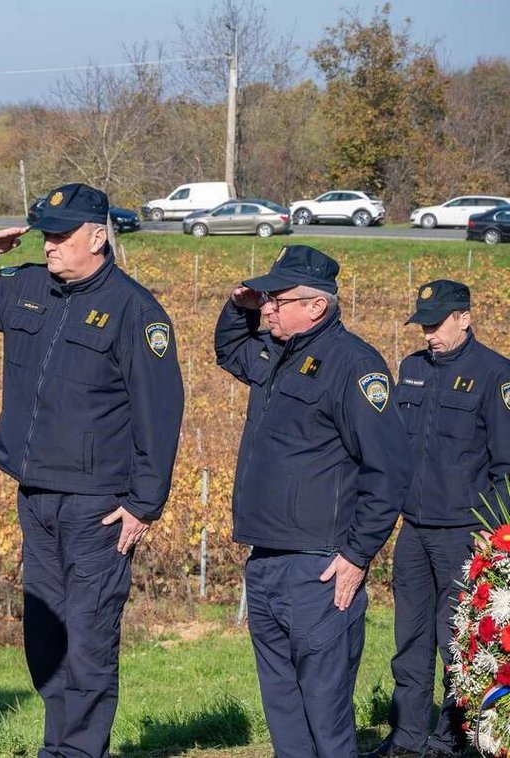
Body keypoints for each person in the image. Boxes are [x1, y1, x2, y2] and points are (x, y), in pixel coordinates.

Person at [0, 182, 184, 758]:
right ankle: (60, 742)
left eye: (61, 235)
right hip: (36, 496)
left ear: (98, 237)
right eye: (45, 234)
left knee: (90, 633)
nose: (49, 245)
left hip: (98, 504)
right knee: (46, 633)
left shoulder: (135, 311)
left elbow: (160, 411)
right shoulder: (29, 286)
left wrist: (145, 502)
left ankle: (78, 750)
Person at [214, 244, 411, 758]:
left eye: (276, 299)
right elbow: (228, 348)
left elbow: (388, 471)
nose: (267, 309)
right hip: (267, 560)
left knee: (325, 715)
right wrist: (240, 304)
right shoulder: (276, 353)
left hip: (320, 569)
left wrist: (356, 555)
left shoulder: (354, 365)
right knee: (284, 712)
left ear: (316, 305)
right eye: (265, 300)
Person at [370, 280, 510, 758]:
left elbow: (506, 468)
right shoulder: (411, 369)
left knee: (458, 644)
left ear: (464, 318)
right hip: (413, 530)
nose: (428, 334)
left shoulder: (495, 374)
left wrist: (492, 537)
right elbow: (392, 448)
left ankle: (453, 738)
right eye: (423, 324)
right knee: (408, 640)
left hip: (465, 535)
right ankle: (407, 737)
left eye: (436, 324)